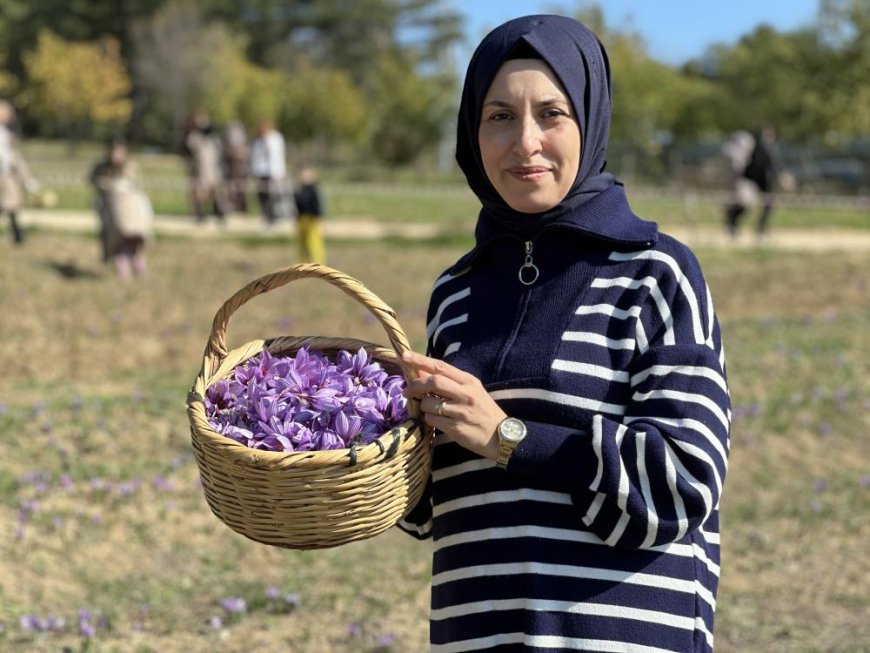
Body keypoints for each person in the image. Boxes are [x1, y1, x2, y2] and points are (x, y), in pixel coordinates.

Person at [397, 15, 730, 652]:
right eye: (499, 116)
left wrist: (508, 436)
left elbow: (684, 482)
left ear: (590, 120)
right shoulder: (455, 293)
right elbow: (444, 507)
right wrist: (370, 442)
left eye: (551, 114)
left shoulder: (657, 274)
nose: (525, 142)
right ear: (472, 131)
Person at [90, 138, 154, 280]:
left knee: (135, 243)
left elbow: (138, 186)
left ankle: (140, 271)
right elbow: (94, 181)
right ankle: (123, 274)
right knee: (119, 245)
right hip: (112, 214)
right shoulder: (101, 168)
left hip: (132, 212)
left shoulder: (131, 167)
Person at [724, 126, 782, 240]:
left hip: (762, 181)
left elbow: (770, 166)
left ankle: (761, 229)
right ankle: (732, 222)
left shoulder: (769, 148)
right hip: (749, 179)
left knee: (768, 204)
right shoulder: (755, 145)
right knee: (744, 204)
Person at [0, 101, 38, 245]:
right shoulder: (4, 136)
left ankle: (17, 234)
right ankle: (17, 234)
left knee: (10, 206)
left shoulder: (6, 136)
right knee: (9, 206)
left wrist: (26, 179)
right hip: (5, 174)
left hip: (7, 175)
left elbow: (15, 160)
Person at [183, 111, 227, 224]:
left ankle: (219, 213)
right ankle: (200, 215)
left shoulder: (214, 138)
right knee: (200, 192)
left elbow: (219, 152)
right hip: (200, 169)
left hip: (213, 169)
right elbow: (190, 148)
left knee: (215, 192)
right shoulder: (194, 136)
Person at [249, 119, 295, 226]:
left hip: (274, 172)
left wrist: (279, 172)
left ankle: (276, 217)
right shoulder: (258, 141)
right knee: (262, 195)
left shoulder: (275, 138)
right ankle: (266, 216)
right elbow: (256, 157)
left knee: (275, 196)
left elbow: (276, 156)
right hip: (262, 172)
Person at [293, 164, 326, 263]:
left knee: (314, 242)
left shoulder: (314, 189)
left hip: (313, 219)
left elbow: (319, 205)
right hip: (301, 219)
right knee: (302, 242)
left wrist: (320, 219)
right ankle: (304, 264)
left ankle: (318, 263)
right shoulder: (299, 189)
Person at [222, 119, 249, 213]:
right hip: (231, 167)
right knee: (231, 189)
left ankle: (241, 208)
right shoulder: (227, 141)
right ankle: (232, 208)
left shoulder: (244, 140)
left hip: (241, 168)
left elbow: (245, 152)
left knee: (241, 189)